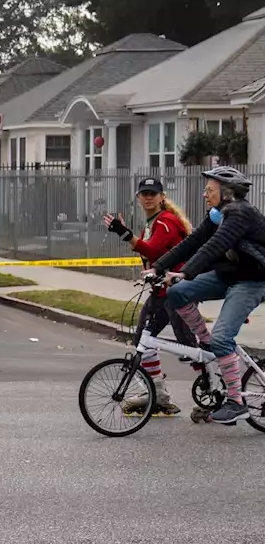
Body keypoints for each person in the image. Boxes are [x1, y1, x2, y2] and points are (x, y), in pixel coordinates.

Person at [150, 166, 263, 424]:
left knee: (224, 338)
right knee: (177, 293)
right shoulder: (217, 215)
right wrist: (158, 266)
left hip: (251, 281)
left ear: (226, 193)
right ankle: (206, 341)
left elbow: (215, 246)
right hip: (227, 276)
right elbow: (193, 242)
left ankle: (236, 402)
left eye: (209, 190)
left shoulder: (240, 214)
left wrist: (186, 272)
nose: (204, 194)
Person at [103, 176, 195, 414]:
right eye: (144, 193)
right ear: (138, 197)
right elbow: (151, 255)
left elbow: (153, 249)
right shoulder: (152, 223)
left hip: (176, 292)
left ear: (162, 197)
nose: (148, 197)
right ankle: (158, 394)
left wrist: (124, 233)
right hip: (160, 292)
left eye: (153, 194)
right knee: (143, 339)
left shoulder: (165, 221)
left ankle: (218, 388)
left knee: (189, 345)